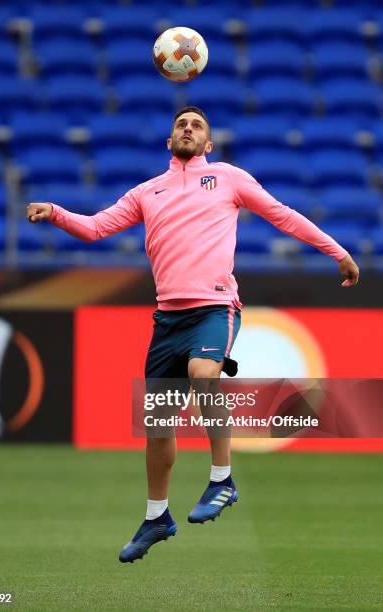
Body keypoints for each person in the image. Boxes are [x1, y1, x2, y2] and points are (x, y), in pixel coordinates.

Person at [27, 106, 359, 563]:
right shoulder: (148, 191)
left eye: (196, 125)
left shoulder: (228, 178)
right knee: (158, 428)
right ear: (169, 142)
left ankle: (223, 479)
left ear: (208, 144)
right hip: (167, 320)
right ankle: (156, 516)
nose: (187, 129)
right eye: (180, 125)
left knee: (204, 373)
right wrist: (57, 213)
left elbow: (283, 216)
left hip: (214, 307)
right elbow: (97, 227)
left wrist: (337, 251)